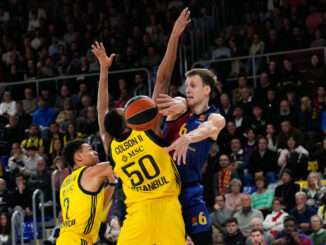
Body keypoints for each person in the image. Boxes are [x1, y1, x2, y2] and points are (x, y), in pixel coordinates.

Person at [94, 8, 191, 245]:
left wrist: (104, 70)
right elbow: (163, 78)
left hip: (137, 214)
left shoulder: (112, 145)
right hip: (167, 206)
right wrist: (174, 36)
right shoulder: (148, 130)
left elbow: (100, 111)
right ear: (128, 121)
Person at [159, 67, 226, 244]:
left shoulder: (214, 117)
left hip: (190, 191)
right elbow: (179, 101)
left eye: (193, 85)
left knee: (205, 238)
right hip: (164, 192)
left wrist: (189, 137)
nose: (187, 89)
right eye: (186, 85)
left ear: (207, 89)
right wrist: (181, 102)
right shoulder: (179, 108)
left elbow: (210, 128)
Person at [56, 139, 116, 245]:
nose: (95, 152)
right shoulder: (89, 172)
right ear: (78, 157)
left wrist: (111, 185)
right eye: (90, 150)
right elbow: (121, 162)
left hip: (66, 239)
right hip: (77, 240)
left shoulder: (66, 182)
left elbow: (98, 207)